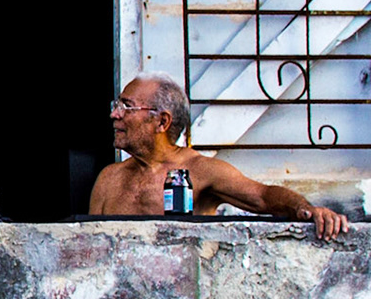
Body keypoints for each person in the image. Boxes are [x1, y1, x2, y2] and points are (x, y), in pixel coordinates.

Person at [90, 74, 348, 240]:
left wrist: (306, 210)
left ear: (162, 122)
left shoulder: (200, 171)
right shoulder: (109, 178)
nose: (115, 115)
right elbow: (90, 244)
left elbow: (263, 196)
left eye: (127, 107)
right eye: (117, 106)